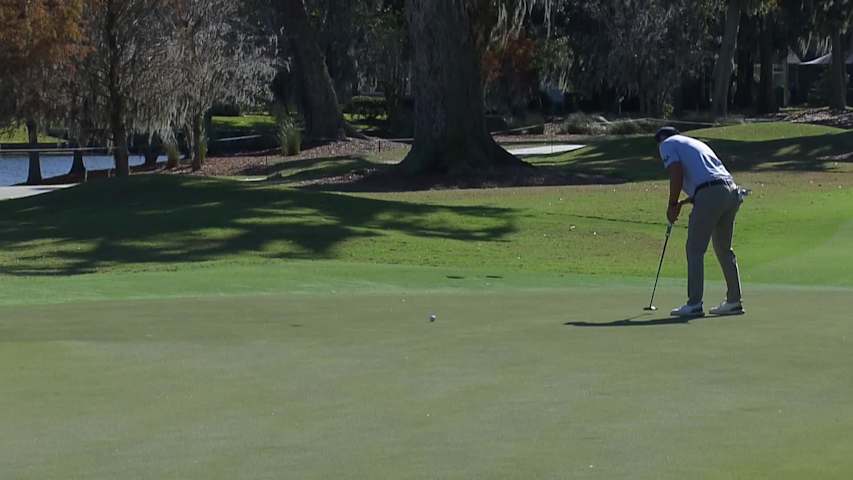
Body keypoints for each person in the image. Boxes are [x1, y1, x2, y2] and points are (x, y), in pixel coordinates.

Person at [655, 126, 744, 317]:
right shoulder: (695, 143)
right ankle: (734, 301)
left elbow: (676, 173)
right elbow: (707, 182)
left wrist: (671, 204)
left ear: (662, 139)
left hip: (712, 192)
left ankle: (694, 303)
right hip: (731, 192)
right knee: (723, 248)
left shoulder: (667, 144)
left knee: (695, 249)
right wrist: (682, 203)